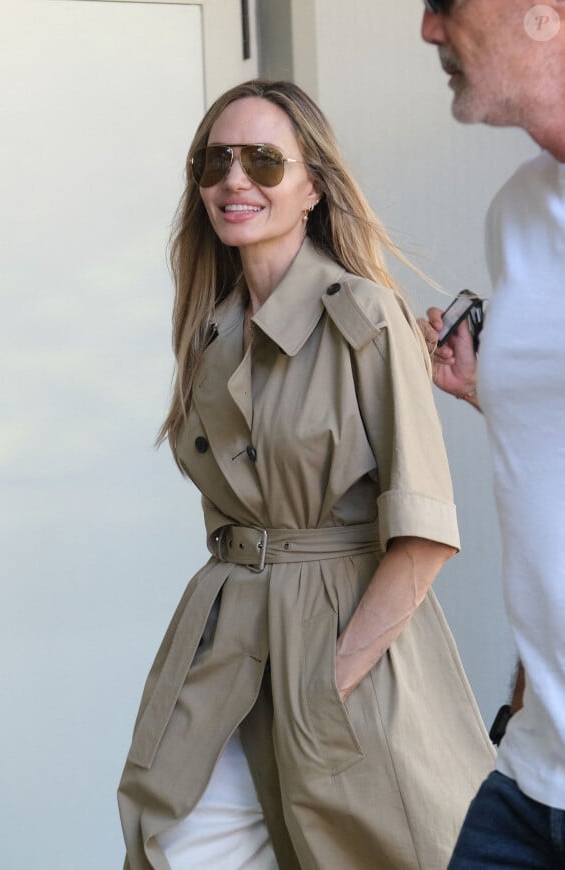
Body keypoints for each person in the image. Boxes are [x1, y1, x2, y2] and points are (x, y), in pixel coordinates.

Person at [117, 78, 494, 870]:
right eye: (214, 162)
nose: (234, 181)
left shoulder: (364, 317)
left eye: (262, 161)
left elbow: (423, 535)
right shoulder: (210, 330)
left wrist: (333, 678)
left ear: (313, 186)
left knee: (367, 848)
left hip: (339, 635)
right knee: (175, 843)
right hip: (229, 633)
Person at [420, 2, 565, 866]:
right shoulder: (516, 215)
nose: (429, 31)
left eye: (446, 3)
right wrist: (498, 396)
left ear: (545, 13)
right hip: (532, 772)